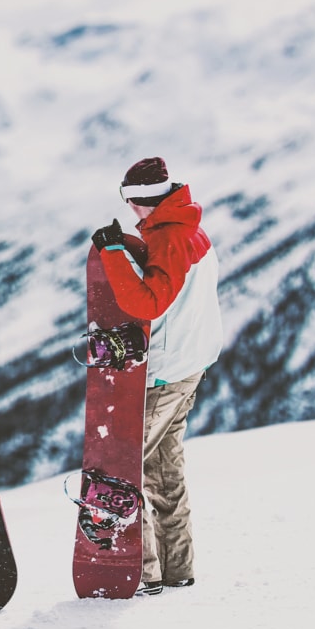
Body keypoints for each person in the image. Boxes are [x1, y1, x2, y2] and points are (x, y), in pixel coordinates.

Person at [91, 156, 222, 595]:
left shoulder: (170, 239)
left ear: (142, 200)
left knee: (125, 469)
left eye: (131, 202)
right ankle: (176, 565)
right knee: (164, 472)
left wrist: (112, 252)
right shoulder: (191, 229)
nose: (131, 211)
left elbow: (145, 303)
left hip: (167, 372)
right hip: (190, 365)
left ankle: (141, 570)